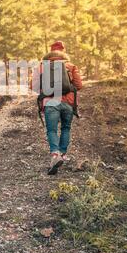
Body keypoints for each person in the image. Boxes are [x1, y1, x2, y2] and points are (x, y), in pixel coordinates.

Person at [38, 41, 83, 175]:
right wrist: (68, 89)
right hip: (67, 103)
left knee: (51, 130)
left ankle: (55, 155)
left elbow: (32, 86)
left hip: (50, 102)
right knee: (65, 128)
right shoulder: (70, 65)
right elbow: (79, 85)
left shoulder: (42, 66)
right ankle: (62, 155)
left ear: (50, 51)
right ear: (63, 51)